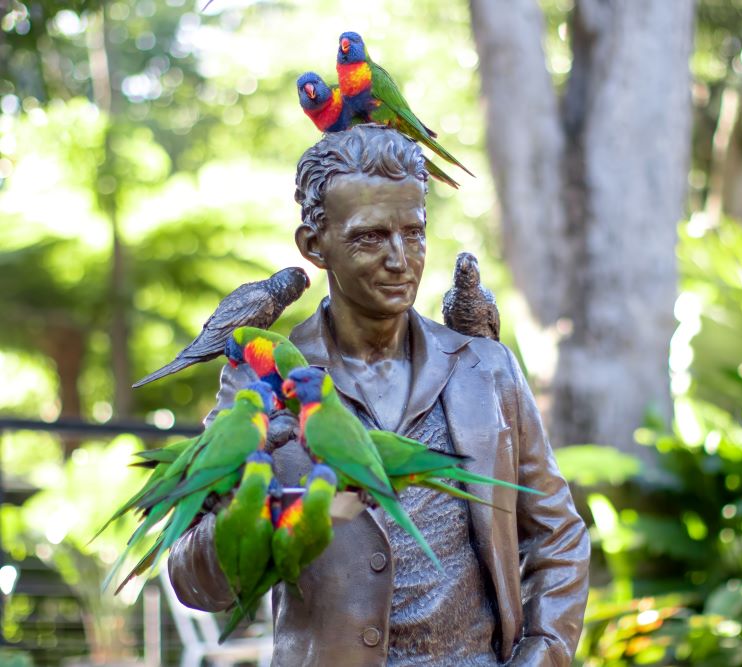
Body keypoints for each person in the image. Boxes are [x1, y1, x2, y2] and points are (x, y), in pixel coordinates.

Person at [168, 125, 590, 666]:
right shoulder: (262, 379)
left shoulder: (487, 369)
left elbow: (557, 536)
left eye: (413, 233)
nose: (401, 259)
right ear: (313, 246)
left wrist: (543, 652)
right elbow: (194, 580)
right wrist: (251, 510)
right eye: (370, 237)